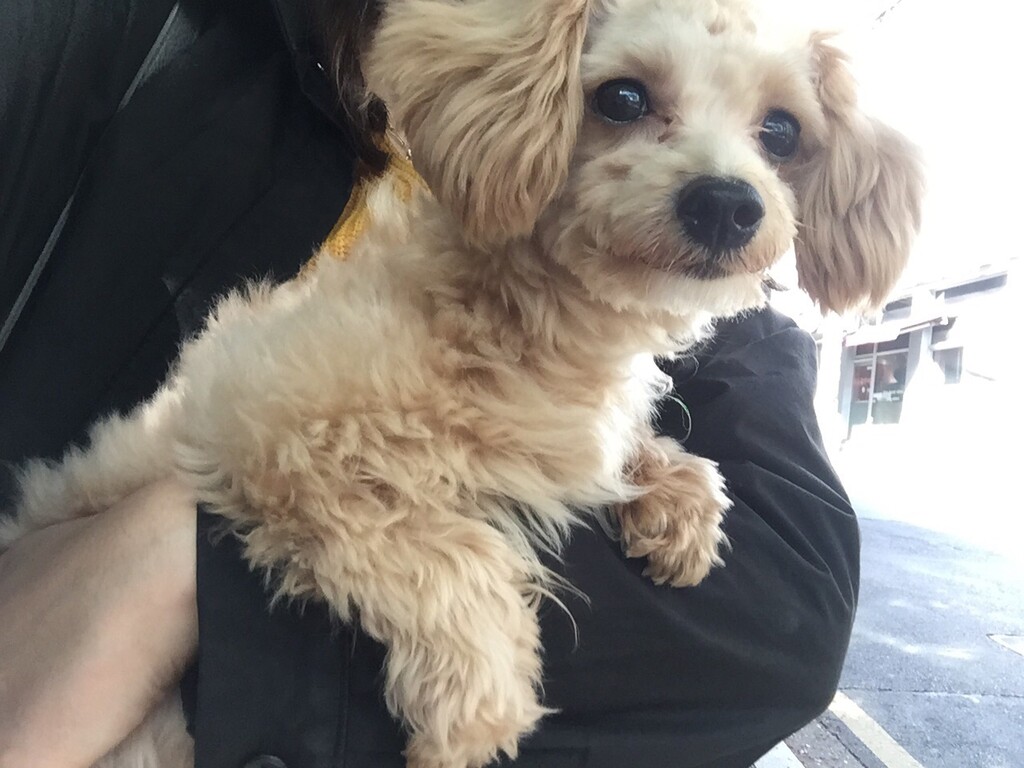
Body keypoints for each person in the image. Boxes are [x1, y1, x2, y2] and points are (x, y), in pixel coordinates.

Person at [0, 1, 859, 766]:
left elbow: (788, 629)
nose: (727, 184)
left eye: (777, 135)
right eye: (627, 102)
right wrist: (452, 601)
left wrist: (172, 568)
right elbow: (293, 441)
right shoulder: (175, 43)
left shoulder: (720, 351)